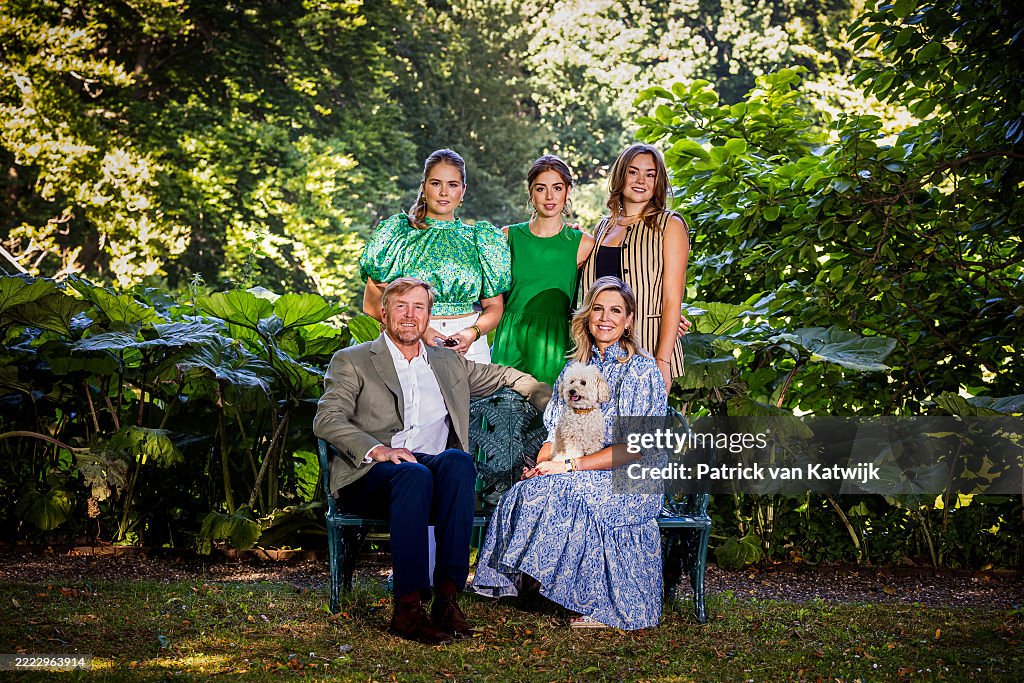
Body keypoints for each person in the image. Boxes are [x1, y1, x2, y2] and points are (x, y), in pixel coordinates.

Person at [313, 277, 551, 644]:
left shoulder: (447, 363)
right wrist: (379, 450)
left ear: (428, 317)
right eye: (401, 306)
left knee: (456, 462)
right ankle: (407, 608)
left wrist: (551, 400)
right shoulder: (354, 360)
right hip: (371, 474)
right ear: (384, 312)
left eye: (419, 307)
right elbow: (327, 418)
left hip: (429, 470)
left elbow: (505, 376)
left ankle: (447, 598)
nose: (410, 315)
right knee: (413, 475)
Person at [472, 277, 668, 630]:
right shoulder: (575, 367)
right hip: (577, 466)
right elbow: (555, 430)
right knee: (528, 489)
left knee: (572, 493)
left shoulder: (641, 371)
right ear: (587, 316)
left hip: (632, 475)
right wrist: (545, 464)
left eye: (615, 311)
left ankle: (602, 605)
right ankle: (538, 588)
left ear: (629, 320)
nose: (605, 318)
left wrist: (569, 466)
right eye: (598, 309)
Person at [360, 149, 509, 362]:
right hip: (410, 341)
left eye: (452, 185)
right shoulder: (400, 235)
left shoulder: (480, 239)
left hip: (471, 349)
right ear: (423, 187)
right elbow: (371, 304)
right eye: (436, 183)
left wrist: (472, 333)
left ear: (463, 191)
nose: (444, 192)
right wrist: (421, 330)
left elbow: (494, 307)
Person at [578, 143, 690, 391]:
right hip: (599, 352)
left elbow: (673, 298)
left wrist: (662, 361)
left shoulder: (669, 225)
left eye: (650, 174)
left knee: (636, 428)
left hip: (647, 347)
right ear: (620, 175)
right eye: (633, 172)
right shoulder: (602, 228)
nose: (641, 180)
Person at [490, 155, 595, 385]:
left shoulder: (583, 244)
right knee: (503, 415)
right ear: (531, 192)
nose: (549, 197)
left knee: (548, 418)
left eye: (557, 188)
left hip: (555, 344)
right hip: (511, 339)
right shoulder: (508, 236)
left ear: (568, 191)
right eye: (541, 188)